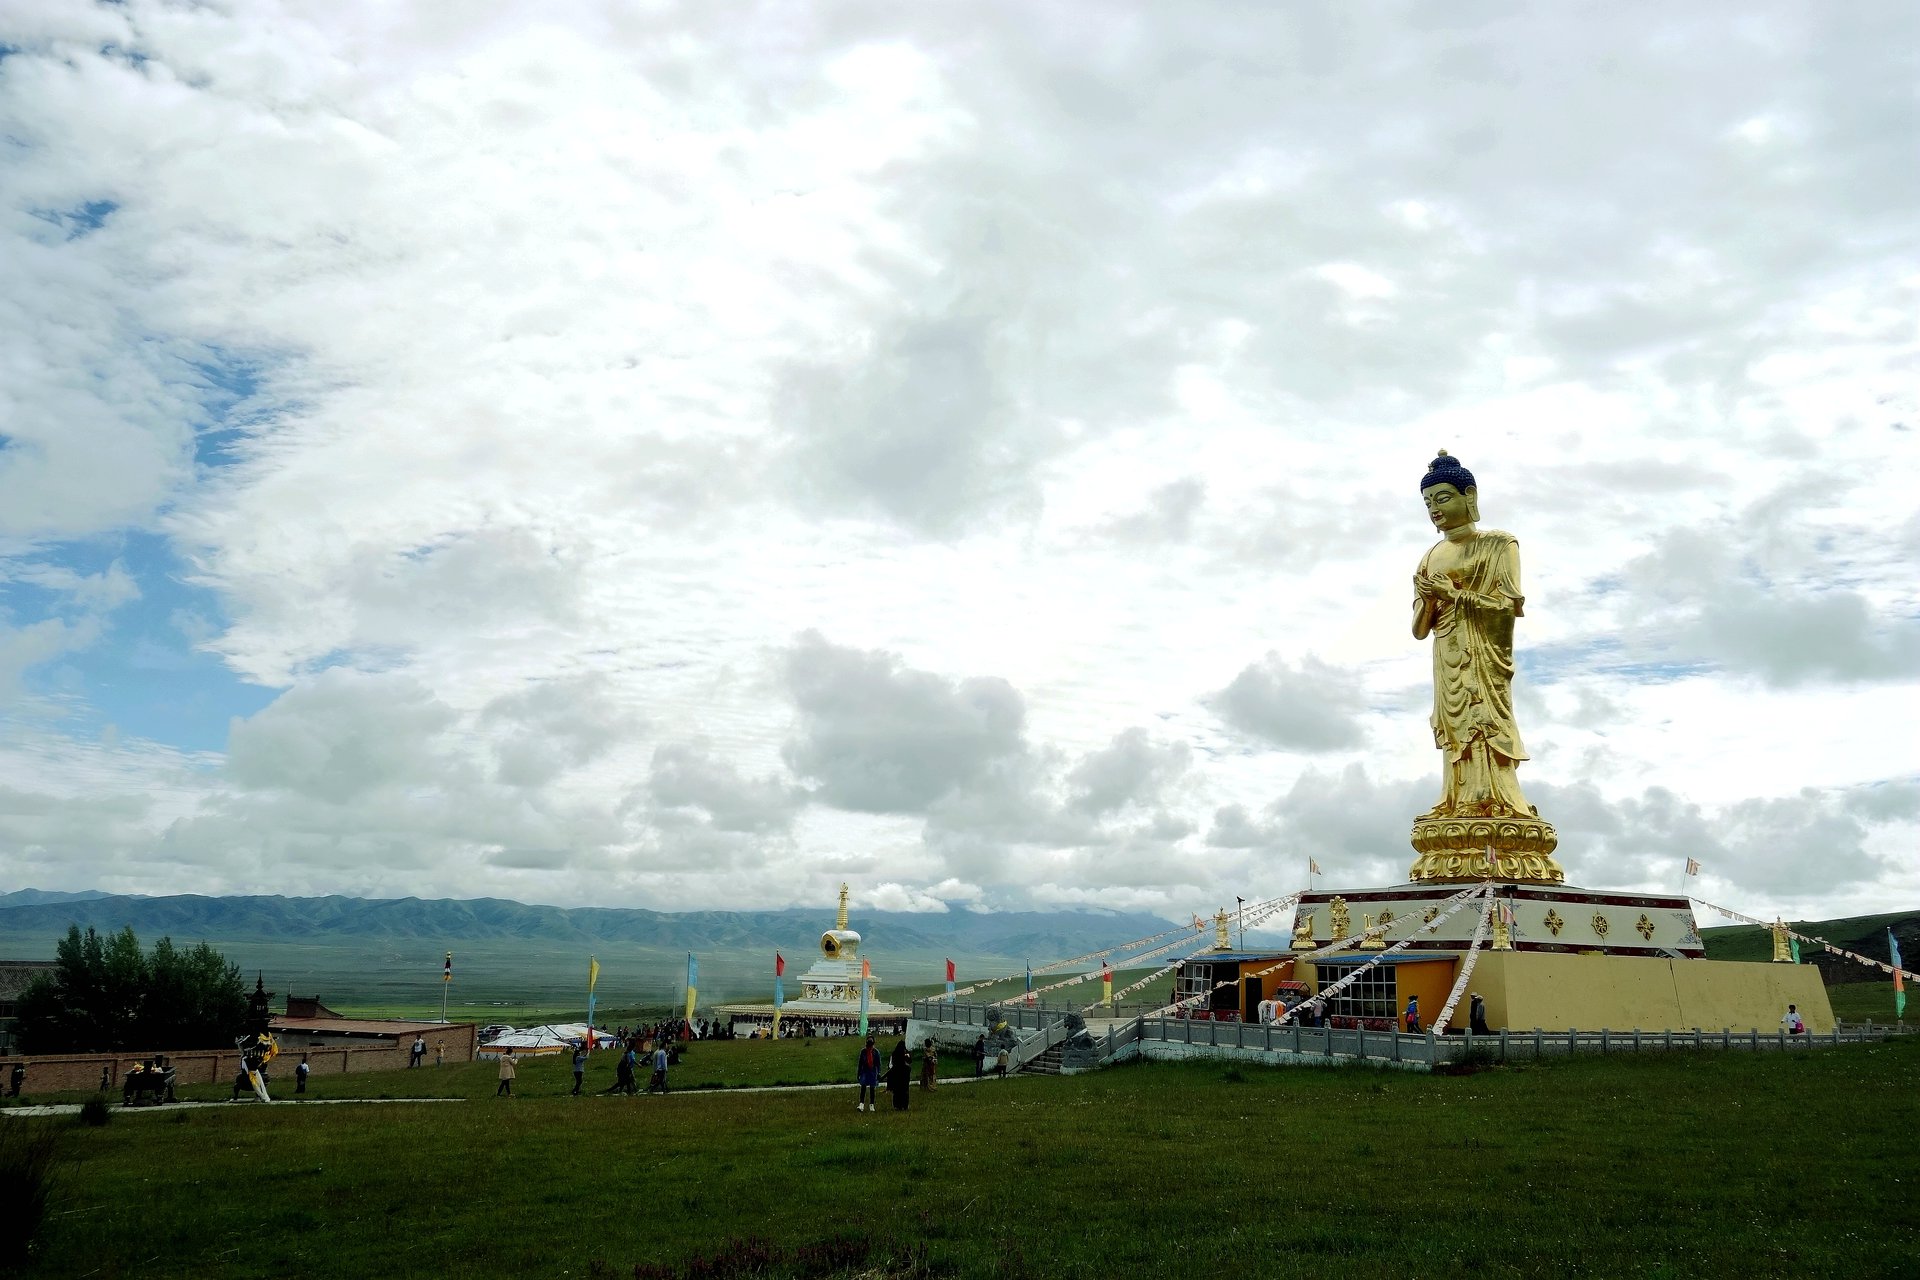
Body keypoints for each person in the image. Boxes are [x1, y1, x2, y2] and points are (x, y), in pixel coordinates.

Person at [855, 1034, 880, 1112]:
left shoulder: (876, 1052)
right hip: (865, 1071)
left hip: (872, 1071)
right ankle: (861, 1104)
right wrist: (859, 1073)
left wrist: (878, 1072)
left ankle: (871, 1105)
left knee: (872, 1089)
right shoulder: (863, 1051)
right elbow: (860, 1063)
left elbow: (878, 1064)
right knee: (863, 1087)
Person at [887, 1039, 911, 1111]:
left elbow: (891, 1064)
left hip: (896, 1074)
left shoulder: (894, 1054)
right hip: (904, 1075)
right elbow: (909, 1062)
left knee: (897, 1091)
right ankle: (904, 1105)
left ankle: (897, 1105)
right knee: (904, 1091)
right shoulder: (905, 1054)